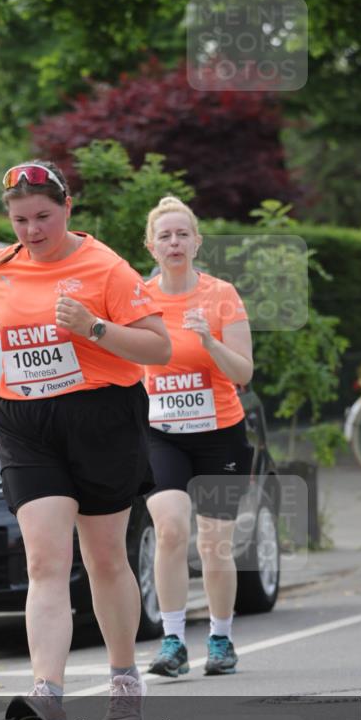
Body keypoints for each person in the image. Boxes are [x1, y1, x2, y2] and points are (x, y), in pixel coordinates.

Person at [0, 161, 171, 720]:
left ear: (67, 208)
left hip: (102, 414)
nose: (31, 230)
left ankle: (124, 679)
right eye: (21, 219)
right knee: (45, 561)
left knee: (103, 559)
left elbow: (159, 347)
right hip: (25, 419)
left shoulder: (106, 268)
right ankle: (46, 695)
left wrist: (94, 328)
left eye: (43, 217)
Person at [143, 196, 254, 679]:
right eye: (165, 236)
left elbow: (244, 372)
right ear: (150, 246)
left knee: (214, 542)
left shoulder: (221, 295)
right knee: (169, 526)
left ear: (197, 242)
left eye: (182, 234)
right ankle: (171, 641)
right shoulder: (139, 299)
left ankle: (221, 638)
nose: (174, 243)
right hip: (161, 433)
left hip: (220, 433)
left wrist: (209, 342)